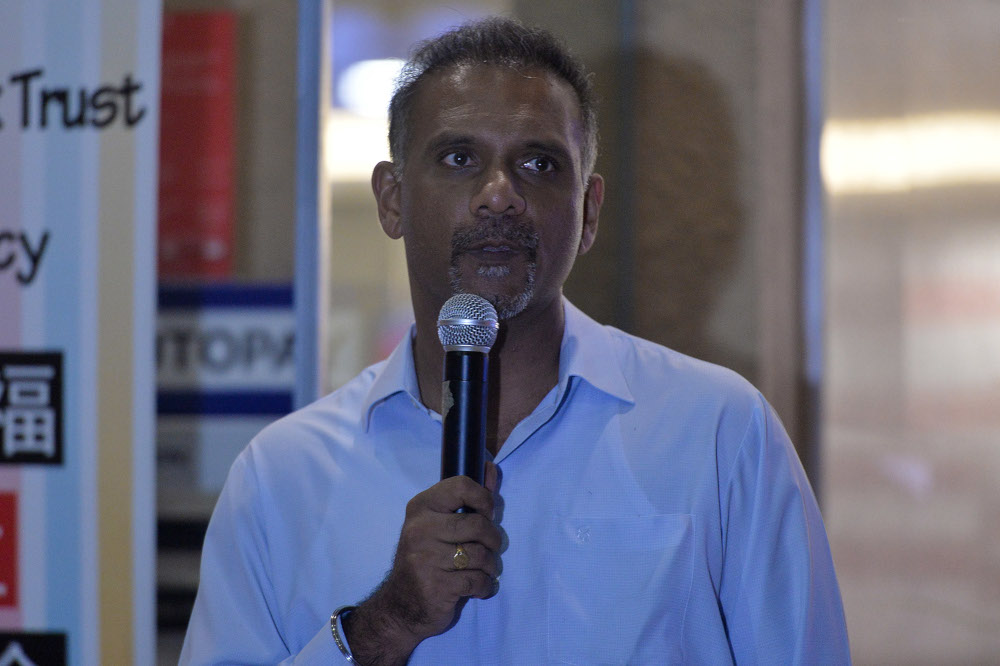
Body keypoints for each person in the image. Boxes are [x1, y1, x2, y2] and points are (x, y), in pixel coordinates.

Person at [181, 17, 850, 665]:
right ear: (391, 199)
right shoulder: (281, 478)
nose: (498, 195)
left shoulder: (719, 433)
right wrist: (386, 624)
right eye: (459, 157)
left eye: (537, 162)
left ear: (588, 213)